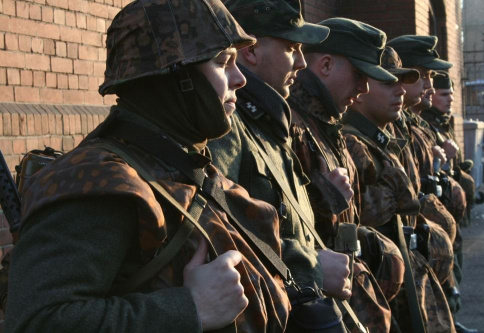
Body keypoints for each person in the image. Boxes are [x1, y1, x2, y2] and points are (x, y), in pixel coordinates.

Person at [5, 0, 292, 332]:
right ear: (175, 76)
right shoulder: (98, 182)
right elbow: (35, 321)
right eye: (222, 62)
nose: (240, 78)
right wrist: (191, 308)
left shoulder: (181, 162)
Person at [208, 0, 354, 330]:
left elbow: (280, 219)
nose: (302, 62)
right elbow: (220, 234)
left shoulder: (270, 120)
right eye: (292, 48)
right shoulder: (229, 126)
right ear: (251, 51)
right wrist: (312, 267)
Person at [287, 17, 404, 332]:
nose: (363, 89)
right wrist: (320, 198)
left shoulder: (327, 124)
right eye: (359, 76)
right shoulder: (291, 127)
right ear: (325, 65)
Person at [342, 46, 456, 333]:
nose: (401, 91)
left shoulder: (384, 139)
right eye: (388, 82)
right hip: (386, 287)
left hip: (411, 277)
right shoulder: (352, 143)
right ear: (361, 89)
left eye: (401, 83)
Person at [421, 72, 479, 333]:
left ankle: (451, 320)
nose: (449, 99)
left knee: (453, 268)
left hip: (449, 216)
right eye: (444, 95)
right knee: (441, 275)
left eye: (451, 95)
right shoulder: (425, 124)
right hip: (432, 218)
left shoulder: (442, 123)